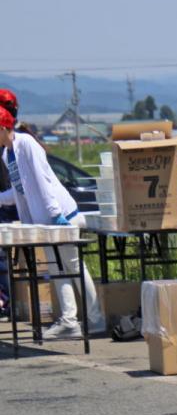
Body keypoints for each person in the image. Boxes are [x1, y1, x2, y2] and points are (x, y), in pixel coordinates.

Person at [0, 90, 105, 338]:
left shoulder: (26, 145)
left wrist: (56, 216)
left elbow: (44, 182)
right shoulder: (8, 154)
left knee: (71, 267)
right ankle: (77, 320)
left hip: (60, 217)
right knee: (63, 269)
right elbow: (20, 191)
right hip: (47, 222)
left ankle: (87, 319)